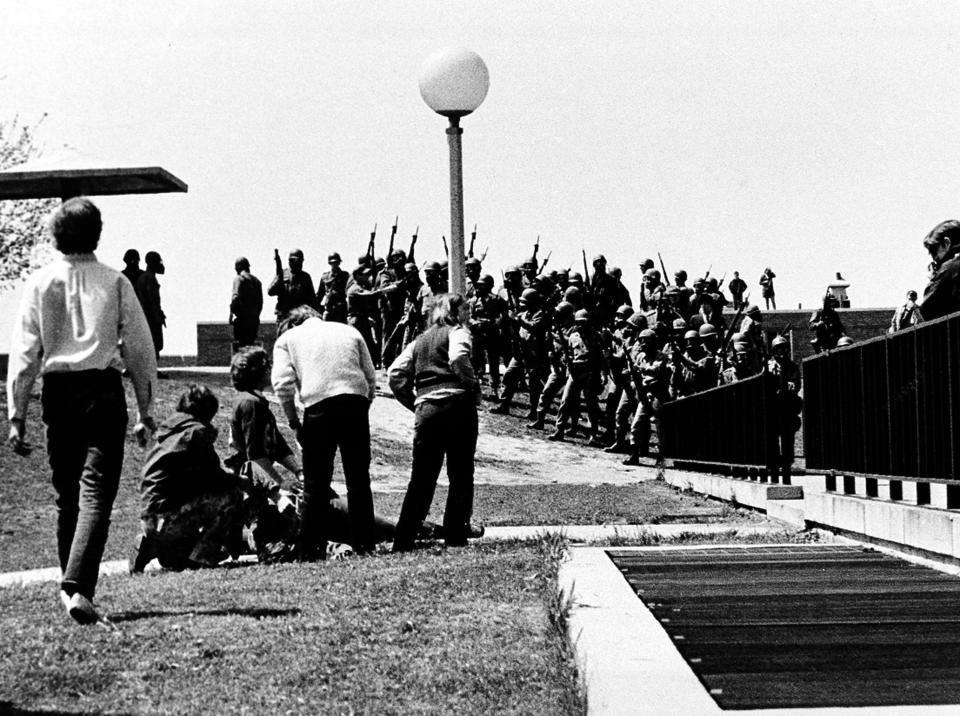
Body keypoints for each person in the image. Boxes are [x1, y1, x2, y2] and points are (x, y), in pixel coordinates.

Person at [7, 197, 158, 624]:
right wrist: (147, 409)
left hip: (57, 391)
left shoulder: (40, 283)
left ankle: (70, 584)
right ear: (97, 233)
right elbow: (140, 351)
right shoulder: (114, 282)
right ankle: (77, 586)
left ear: (56, 235)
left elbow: (25, 352)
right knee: (96, 493)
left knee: (67, 495)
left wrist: (16, 413)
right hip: (102, 390)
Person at [272, 305, 377, 559]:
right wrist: (364, 404)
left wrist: (294, 422)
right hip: (355, 401)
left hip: (318, 406)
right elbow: (370, 376)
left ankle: (310, 549)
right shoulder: (349, 331)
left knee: (315, 484)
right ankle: (365, 543)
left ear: (293, 323)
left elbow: (282, 384)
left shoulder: (287, 339)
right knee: (359, 479)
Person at [388, 294, 480, 551]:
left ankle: (403, 538)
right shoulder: (459, 331)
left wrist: (415, 402)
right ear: (454, 311)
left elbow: (395, 373)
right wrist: (472, 385)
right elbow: (459, 357)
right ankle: (455, 535)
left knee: (421, 478)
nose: (468, 312)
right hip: (457, 407)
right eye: (465, 308)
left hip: (426, 411)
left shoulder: (420, 340)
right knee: (460, 473)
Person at [134, 386, 246, 571]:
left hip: (150, 515)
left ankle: (151, 546)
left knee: (174, 560)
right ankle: (201, 558)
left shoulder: (169, 431)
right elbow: (213, 477)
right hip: (168, 518)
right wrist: (239, 481)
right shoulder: (196, 432)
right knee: (231, 496)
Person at [766, 335, 802, 484]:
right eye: (778, 349)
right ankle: (774, 476)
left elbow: (796, 383)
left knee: (788, 446)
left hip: (787, 411)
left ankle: (786, 475)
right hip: (773, 411)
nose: (782, 352)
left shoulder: (792, 367)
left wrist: (789, 386)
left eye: (784, 349)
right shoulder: (768, 366)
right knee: (773, 446)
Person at [920, 219, 960, 321]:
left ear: (947, 243)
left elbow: (928, 311)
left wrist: (933, 279)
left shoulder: (950, 268)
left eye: (933, 250)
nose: (934, 257)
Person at [268, 248, 317, 326]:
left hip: (300, 317)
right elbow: (270, 292)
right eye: (297, 261)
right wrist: (278, 280)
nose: (300, 263)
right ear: (290, 261)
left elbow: (312, 300)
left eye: (301, 261)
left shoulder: (305, 277)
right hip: (284, 317)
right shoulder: (282, 274)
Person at [136, 250, 166, 358]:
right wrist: (157, 316)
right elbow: (152, 301)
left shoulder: (145, 277)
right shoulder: (150, 278)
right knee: (154, 343)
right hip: (150, 318)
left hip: (146, 317)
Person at [229, 256, 263, 350]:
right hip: (254, 321)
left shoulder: (239, 279)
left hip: (242, 321)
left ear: (237, 268)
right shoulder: (257, 282)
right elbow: (260, 303)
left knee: (243, 349)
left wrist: (231, 314)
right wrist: (256, 316)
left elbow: (235, 298)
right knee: (250, 347)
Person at [316, 252, 347, 323]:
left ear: (339, 263)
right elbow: (320, 294)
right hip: (328, 310)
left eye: (336, 262)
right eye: (333, 263)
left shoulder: (345, 276)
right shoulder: (325, 277)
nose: (335, 264)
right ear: (329, 263)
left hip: (341, 311)